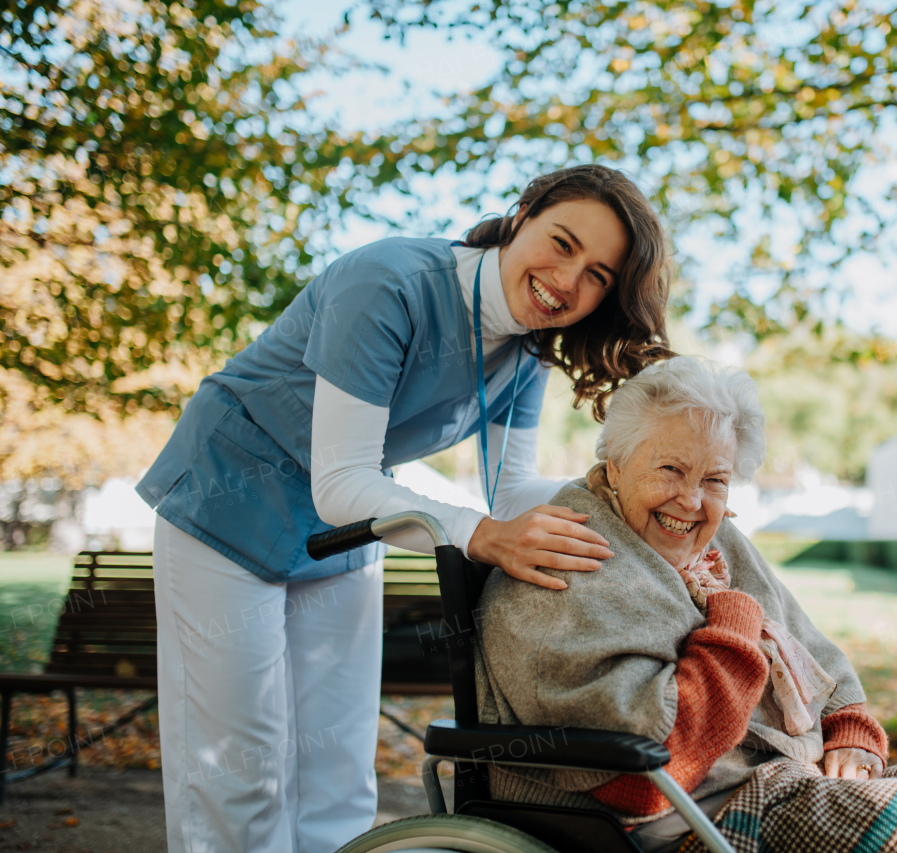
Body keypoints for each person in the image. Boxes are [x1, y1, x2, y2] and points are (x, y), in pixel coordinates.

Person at [134, 165, 674, 852]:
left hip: (344, 528)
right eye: (563, 242)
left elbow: (512, 492)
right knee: (241, 770)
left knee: (341, 773)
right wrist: (483, 537)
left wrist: (637, 495)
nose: (568, 281)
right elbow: (344, 479)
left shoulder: (528, 351)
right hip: (227, 501)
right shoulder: (388, 282)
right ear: (524, 213)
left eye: (598, 274)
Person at [475, 356, 897, 853]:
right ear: (614, 467)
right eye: (670, 469)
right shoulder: (567, 553)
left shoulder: (714, 540)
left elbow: (812, 645)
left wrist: (850, 727)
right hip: (674, 819)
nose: (692, 501)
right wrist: (733, 633)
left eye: (714, 480)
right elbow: (648, 778)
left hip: (767, 775)